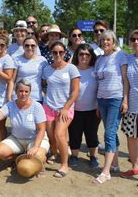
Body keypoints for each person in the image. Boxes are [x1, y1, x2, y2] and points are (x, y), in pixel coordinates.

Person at [0, 80, 49, 174]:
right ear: (16, 91)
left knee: (38, 155)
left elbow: (42, 129)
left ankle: (39, 160)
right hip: (17, 139)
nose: (23, 94)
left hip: (35, 139)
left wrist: (36, 146)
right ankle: (18, 157)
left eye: (26, 91)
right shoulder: (10, 105)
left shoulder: (37, 107)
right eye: (21, 91)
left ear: (30, 92)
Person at [93, 30, 129, 184]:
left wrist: (125, 100)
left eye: (108, 39)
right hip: (102, 99)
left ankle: (106, 171)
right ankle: (115, 165)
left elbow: (126, 80)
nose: (106, 42)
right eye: (103, 40)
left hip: (115, 98)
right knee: (112, 133)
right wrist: (97, 103)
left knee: (109, 133)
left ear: (114, 41)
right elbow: (98, 82)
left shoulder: (120, 56)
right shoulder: (99, 59)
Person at [42, 41, 80, 178]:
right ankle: (54, 153)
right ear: (51, 53)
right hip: (49, 106)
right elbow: (43, 83)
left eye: (60, 52)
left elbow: (75, 91)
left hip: (65, 108)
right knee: (51, 136)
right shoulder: (47, 69)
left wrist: (65, 108)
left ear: (65, 53)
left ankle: (64, 165)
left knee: (59, 134)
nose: (57, 55)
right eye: (54, 52)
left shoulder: (71, 69)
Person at [121, 29, 138, 188]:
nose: (136, 42)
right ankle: (135, 168)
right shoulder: (128, 58)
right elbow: (126, 83)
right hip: (132, 106)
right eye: (133, 39)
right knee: (131, 139)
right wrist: (125, 101)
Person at [68, 44, 100, 168]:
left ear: (91, 56)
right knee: (75, 134)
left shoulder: (95, 70)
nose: (84, 56)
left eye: (87, 54)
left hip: (93, 109)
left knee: (92, 135)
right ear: (77, 55)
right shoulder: (72, 69)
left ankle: (93, 157)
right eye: (81, 54)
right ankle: (74, 156)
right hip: (75, 109)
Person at [8, 36, 47, 105]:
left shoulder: (42, 60)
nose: (30, 48)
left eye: (33, 46)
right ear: (23, 46)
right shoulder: (16, 59)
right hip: (19, 97)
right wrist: (9, 96)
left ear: (36, 47)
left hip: (36, 97)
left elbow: (44, 80)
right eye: (27, 45)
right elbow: (12, 80)